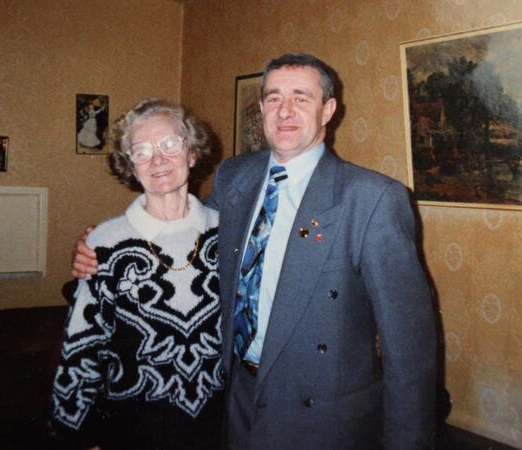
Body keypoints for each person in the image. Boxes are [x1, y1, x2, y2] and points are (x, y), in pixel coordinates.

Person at [73, 53, 437, 449]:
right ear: (261, 107)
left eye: (301, 98)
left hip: (324, 416)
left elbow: (410, 349)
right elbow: (182, 237)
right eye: (274, 98)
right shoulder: (235, 177)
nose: (285, 111)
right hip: (236, 397)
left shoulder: (372, 199)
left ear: (328, 110)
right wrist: (105, 245)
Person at [51, 98, 224, 450]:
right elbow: (81, 349)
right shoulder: (105, 243)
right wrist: (79, 437)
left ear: (192, 154)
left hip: (218, 428)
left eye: (170, 145)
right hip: (132, 430)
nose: (157, 159)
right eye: (141, 151)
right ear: (130, 166)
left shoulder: (228, 233)